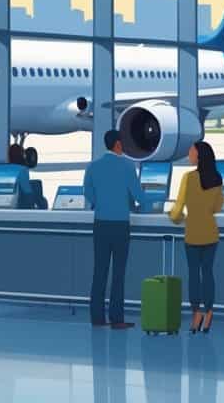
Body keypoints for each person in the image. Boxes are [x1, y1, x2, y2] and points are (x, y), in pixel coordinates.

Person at [82, 129, 143, 329]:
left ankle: (97, 318)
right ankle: (117, 319)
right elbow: (138, 195)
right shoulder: (127, 166)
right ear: (117, 144)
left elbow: (88, 193)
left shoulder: (93, 167)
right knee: (118, 273)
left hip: (100, 224)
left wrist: (101, 204)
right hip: (120, 225)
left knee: (99, 271)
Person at [169, 141, 224, 334]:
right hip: (210, 233)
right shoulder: (217, 178)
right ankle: (209, 313)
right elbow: (218, 207)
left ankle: (196, 314)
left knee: (193, 274)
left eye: (191, 151)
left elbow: (177, 211)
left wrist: (175, 216)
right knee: (207, 273)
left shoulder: (189, 178)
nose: (189, 154)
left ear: (199, 156)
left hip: (192, 233)